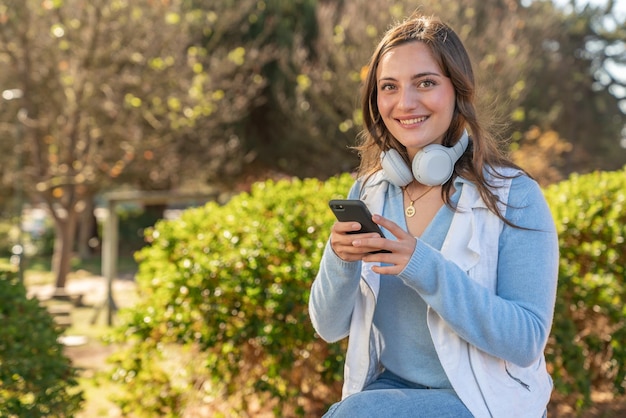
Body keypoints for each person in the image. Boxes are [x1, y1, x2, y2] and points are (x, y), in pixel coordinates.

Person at [308, 12, 559, 418]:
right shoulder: (370, 191)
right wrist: (339, 259)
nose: (405, 103)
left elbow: (526, 339)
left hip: (481, 400)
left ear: (457, 91)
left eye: (425, 83)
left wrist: (422, 265)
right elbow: (329, 327)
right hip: (390, 392)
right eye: (389, 87)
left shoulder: (514, 195)